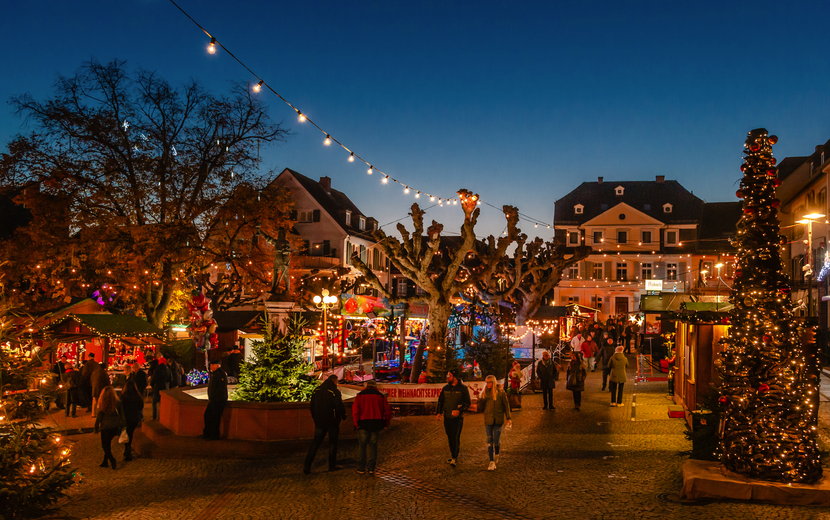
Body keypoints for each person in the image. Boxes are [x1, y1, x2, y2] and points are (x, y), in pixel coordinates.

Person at [304, 375, 347, 474]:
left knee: (315, 444)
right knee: (333, 444)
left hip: (319, 422)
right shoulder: (334, 392)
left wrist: (315, 418)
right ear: (334, 381)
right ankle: (332, 465)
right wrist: (343, 415)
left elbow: (312, 406)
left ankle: (307, 465)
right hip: (332, 422)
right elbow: (339, 406)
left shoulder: (317, 390)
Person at [352, 380, 393, 475]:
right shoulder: (380, 396)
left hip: (363, 423)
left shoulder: (360, 396)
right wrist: (386, 423)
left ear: (366, 386)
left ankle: (361, 467)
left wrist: (356, 423)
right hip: (376, 422)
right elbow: (387, 411)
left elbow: (355, 411)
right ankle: (371, 468)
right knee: (373, 446)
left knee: (362, 446)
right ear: (375, 386)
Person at [436, 368, 471, 467]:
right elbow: (441, 401)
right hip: (447, 417)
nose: (447, 377)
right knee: (450, 437)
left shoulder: (463, 389)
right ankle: (453, 455)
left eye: (449, 375)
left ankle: (454, 457)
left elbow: (467, 403)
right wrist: (439, 412)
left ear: (454, 377)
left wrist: (459, 411)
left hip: (457, 419)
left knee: (455, 437)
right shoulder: (446, 388)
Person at [480, 374, 512, 471]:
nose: (487, 384)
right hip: (488, 419)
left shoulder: (501, 393)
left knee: (496, 441)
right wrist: (480, 400)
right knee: (489, 441)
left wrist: (508, 418)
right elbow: (481, 407)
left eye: (489, 382)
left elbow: (506, 405)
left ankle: (496, 454)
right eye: (486, 382)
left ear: (493, 382)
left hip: (498, 419)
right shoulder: (485, 393)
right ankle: (491, 461)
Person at [93, 386, 125, 469]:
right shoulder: (118, 402)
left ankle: (112, 459)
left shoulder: (103, 402)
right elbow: (122, 414)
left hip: (106, 426)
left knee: (105, 445)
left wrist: (96, 426)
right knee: (108, 444)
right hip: (115, 426)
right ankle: (105, 461)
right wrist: (124, 425)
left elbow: (99, 416)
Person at [201, 361, 228, 440]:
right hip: (213, 400)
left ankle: (214, 435)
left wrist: (215, 397)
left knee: (215, 417)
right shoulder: (214, 373)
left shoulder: (220, 374)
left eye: (211, 365)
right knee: (208, 415)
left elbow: (220, 388)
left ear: (216, 365)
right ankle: (207, 433)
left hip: (218, 400)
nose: (210, 367)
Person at [120, 380, 144, 461]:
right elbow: (141, 406)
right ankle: (128, 449)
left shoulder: (123, 397)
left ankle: (127, 449)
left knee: (127, 433)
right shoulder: (138, 396)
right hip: (134, 418)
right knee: (130, 433)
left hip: (126, 418)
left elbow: (120, 408)